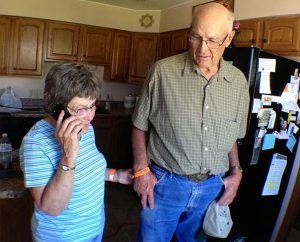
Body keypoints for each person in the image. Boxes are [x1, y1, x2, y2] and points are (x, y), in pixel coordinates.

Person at [131, 2, 250, 242]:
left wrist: (236, 172)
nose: (202, 49)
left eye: (213, 40)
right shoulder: (162, 72)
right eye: (195, 37)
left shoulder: (238, 82)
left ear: (229, 38)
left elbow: (231, 136)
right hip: (165, 185)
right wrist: (141, 170)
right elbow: (139, 126)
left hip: (211, 189)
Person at [20, 62, 132, 242]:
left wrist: (116, 175)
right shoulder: (36, 142)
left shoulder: (86, 129)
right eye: (81, 109)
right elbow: (50, 208)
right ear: (58, 110)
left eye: (93, 105)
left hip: (94, 229)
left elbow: (86, 171)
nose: (90, 116)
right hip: (63, 237)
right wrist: (68, 156)